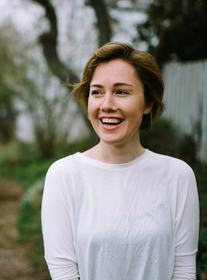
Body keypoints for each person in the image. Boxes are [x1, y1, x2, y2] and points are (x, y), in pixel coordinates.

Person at [41, 42, 199, 280]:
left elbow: (183, 270)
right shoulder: (64, 174)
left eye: (121, 91)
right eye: (97, 92)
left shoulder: (178, 175)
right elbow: (63, 272)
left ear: (148, 104)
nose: (106, 105)